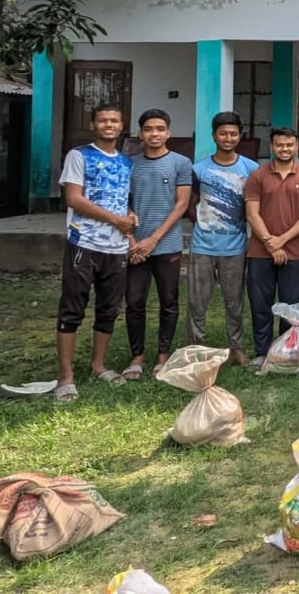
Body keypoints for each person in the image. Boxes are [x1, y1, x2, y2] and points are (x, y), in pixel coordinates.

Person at [54, 102, 136, 402]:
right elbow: (74, 199)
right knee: (72, 309)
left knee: (109, 309)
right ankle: (65, 377)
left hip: (115, 247)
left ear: (122, 125)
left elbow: (117, 200)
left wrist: (128, 218)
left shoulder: (127, 163)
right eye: (103, 120)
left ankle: (98, 365)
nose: (109, 125)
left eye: (114, 120)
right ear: (93, 124)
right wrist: (115, 219)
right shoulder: (79, 156)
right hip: (84, 243)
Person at [123, 108, 192, 379]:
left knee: (169, 301)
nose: (155, 134)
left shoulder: (180, 163)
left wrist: (154, 239)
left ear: (168, 133)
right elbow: (122, 204)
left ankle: (163, 357)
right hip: (135, 248)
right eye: (149, 129)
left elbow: (182, 204)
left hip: (167, 244)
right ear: (141, 133)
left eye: (160, 129)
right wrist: (131, 240)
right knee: (134, 301)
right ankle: (137, 357)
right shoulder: (129, 163)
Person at [187, 111, 257, 364]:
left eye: (233, 133)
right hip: (202, 245)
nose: (228, 138)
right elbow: (189, 203)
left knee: (234, 302)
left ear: (240, 136)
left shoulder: (251, 169)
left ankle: (236, 346)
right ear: (214, 135)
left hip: (235, 246)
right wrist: (203, 223)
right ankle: (195, 347)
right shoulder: (199, 169)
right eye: (223, 133)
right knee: (197, 302)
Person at [243, 127, 299, 369]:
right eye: (280, 145)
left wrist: (280, 241)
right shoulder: (258, 176)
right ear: (272, 147)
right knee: (260, 303)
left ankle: (285, 353)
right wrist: (270, 243)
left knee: (290, 305)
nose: (285, 149)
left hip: (294, 252)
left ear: (296, 146)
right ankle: (262, 352)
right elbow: (252, 214)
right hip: (259, 251)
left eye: (289, 145)